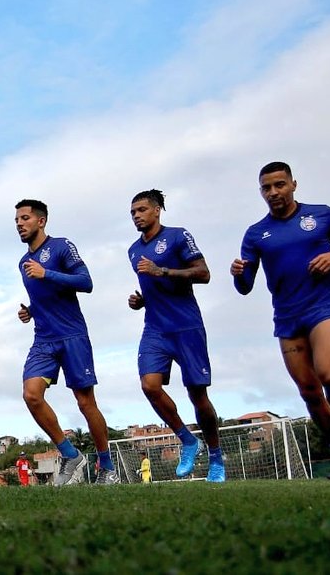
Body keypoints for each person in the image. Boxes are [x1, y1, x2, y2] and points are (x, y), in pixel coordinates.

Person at [231, 162, 330, 479]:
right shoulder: (255, 234)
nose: (273, 192)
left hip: (324, 306)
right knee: (309, 391)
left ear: (293, 184)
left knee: (329, 375)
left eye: (279, 184)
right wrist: (239, 274)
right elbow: (245, 287)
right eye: (266, 187)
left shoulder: (322, 215)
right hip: (287, 317)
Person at [14, 199, 119, 485]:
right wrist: (31, 311)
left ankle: (107, 467)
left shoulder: (61, 246)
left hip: (72, 335)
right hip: (44, 339)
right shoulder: (23, 263)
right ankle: (70, 454)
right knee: (31, 394)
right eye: (17, 221)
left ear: (41, 221)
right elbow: (44, 297)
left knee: (85, 402)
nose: (20, 224)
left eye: (25, 218)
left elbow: (86, 282)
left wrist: (46, 272)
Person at [127, 189, 225, 482]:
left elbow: (204, 273)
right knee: (149, 385)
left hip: (187, 326)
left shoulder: (179, 236)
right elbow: (153, 285)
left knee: (198, 395)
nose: (137, 216)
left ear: (157, 210)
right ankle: (186, 439)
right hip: (155, 328)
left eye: (142, 210)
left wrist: (163, 271)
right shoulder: (133, 250)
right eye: (133, 212)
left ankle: (216, 457)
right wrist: (142, 299)